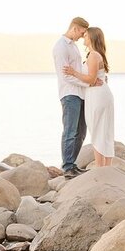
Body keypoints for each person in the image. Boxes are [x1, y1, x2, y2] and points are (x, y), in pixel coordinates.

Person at [66, 26, 115, 166]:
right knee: (104, 129)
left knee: (97, 129)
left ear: (92, 38)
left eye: (86, 35)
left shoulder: (93, 55)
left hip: (97, 95)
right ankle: (106, 167)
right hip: (100, 94)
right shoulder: (96, 55)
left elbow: (91, 79)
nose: (83, 37)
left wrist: (73, 72)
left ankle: (100, 167)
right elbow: (98, 78)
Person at [52, 16, 90, 176]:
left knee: (81, 131)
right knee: (70, 131)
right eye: (81, 33)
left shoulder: (73, 46)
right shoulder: (61, 46)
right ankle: (67, 166)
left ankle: (73, 164)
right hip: (69, 94)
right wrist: (89, 83)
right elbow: (65, 75)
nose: (82, 37)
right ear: (74, 28)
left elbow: (77, 71)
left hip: (80, 94)